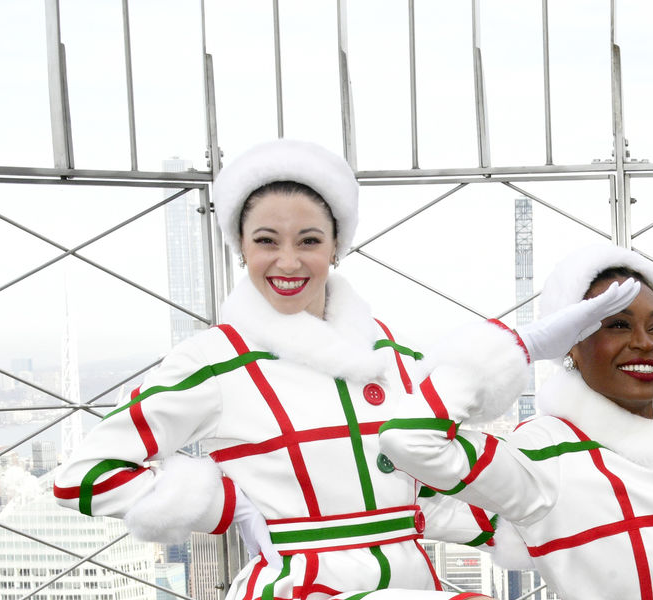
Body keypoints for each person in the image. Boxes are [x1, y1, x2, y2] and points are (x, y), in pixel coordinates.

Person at [50, 139, 500, 599]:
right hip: (301, 588)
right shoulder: (215, 360)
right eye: (266, 241)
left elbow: (425, 495)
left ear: (336, 247)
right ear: (241, 248)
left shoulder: (390, 356)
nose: (288, 262)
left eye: (309, 241)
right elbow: (84, 475)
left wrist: (529, 521)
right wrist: (224, 505)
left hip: (412, 583)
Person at [379, 244, 653, 600]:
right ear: (569, 343)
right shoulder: (543, 451)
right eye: (614, 325)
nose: (644, 344)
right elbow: (412, 441)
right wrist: (523, 346)